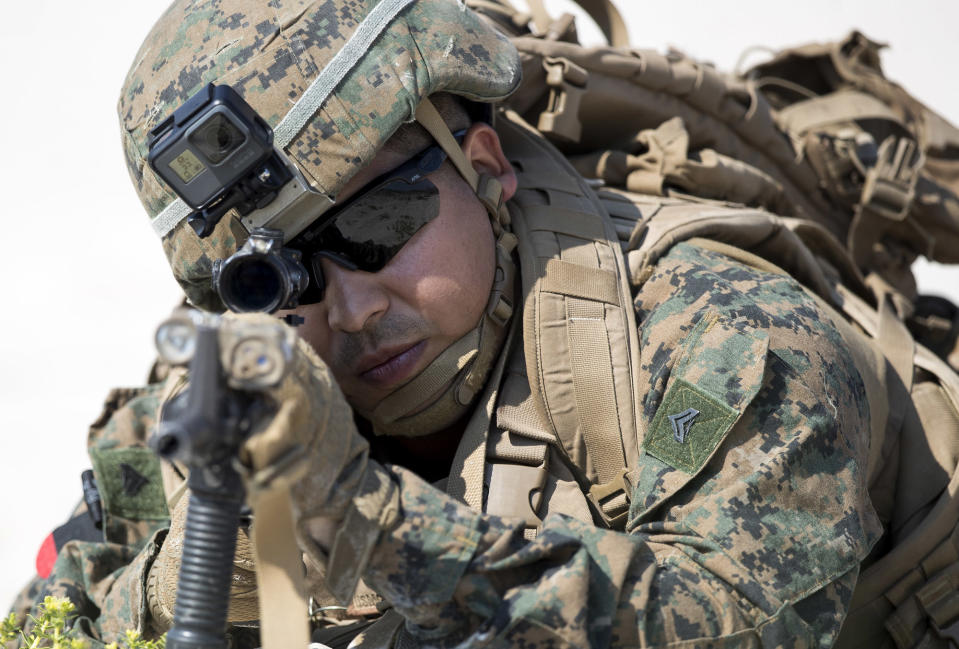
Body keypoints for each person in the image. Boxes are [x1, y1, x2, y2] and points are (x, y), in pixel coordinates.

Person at [17, 0, 945, 647]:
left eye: (379, 228)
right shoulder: (196, 411)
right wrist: (194, 577)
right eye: (285, 279)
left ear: (485, 163)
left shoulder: (727, 333)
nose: (351, 308)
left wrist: (363, 520)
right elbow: (45, 617)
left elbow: (735, 622)